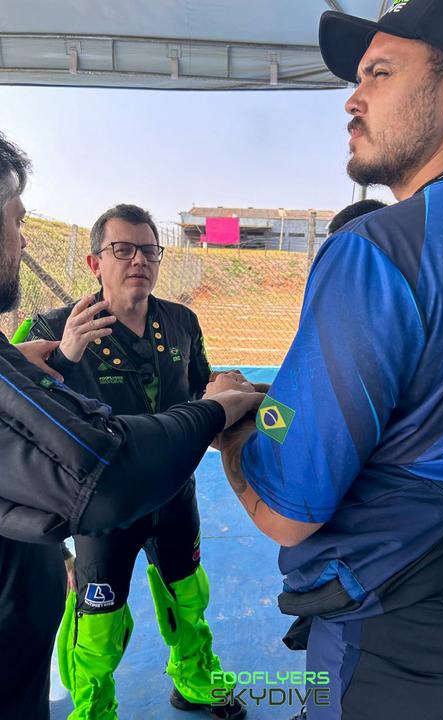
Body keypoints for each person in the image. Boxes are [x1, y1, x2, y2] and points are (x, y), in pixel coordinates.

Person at [205, 1, 443, 718]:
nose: (352, 100)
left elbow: (287, 512)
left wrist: (230, 424)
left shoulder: (378, 249)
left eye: (380, 74)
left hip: (392, 639)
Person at [0, 134, 262, 720]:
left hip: (173, 490)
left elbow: (201, 394)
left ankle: (194, 680)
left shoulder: (182, 321)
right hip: (101, 507)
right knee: (98, 624)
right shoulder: (47, 329)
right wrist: (67, 359)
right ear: (95, 263)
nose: (139, 260)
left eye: (149, 250)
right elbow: (23, 433)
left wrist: (233, 401)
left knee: (188, 596)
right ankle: (93, 709)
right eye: (122, 249)